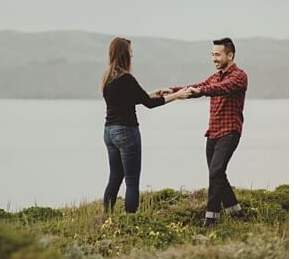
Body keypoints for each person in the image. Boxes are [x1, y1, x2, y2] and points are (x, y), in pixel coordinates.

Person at [157, 37, 248, 228]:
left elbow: (219, 89)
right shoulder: (214, 77)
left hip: (230, 131)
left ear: (229, 55)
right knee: (217, 174)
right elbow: (198, 86)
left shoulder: (239, 76)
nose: (214, 58)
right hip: (213, 132)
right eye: (212, 55)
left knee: (215, 172)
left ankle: (211, 218)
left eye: (218, 55)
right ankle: (236, 211)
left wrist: (201, 92)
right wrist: (172, 90)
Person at [100, 36, 189, 214]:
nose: (132, 55)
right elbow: (149, 104)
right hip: (126, 132)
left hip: (109, 132)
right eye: (131, 51)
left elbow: (131, 99)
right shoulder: (127, 78)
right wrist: (177, 96)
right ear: (125, 53)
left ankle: (106, 217)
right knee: (132, 181)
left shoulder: (108, 78)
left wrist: (155, 92)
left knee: (115, 177)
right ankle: (131, 220)